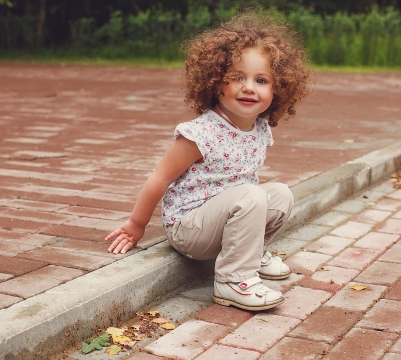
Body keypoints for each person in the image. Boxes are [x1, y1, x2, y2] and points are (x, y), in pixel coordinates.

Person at [105, 11, 312, 311]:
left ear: (277, 89)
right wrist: (136, 224)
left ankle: (248, 255)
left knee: (280, 194)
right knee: (252, 194)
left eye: (261, 80)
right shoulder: (201, 134)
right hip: (189, 228)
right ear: (216, 83)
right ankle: (231, 281)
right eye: (237, 77)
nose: (249, 87)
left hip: (225, 218)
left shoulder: (259, 128)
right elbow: (160, 178)